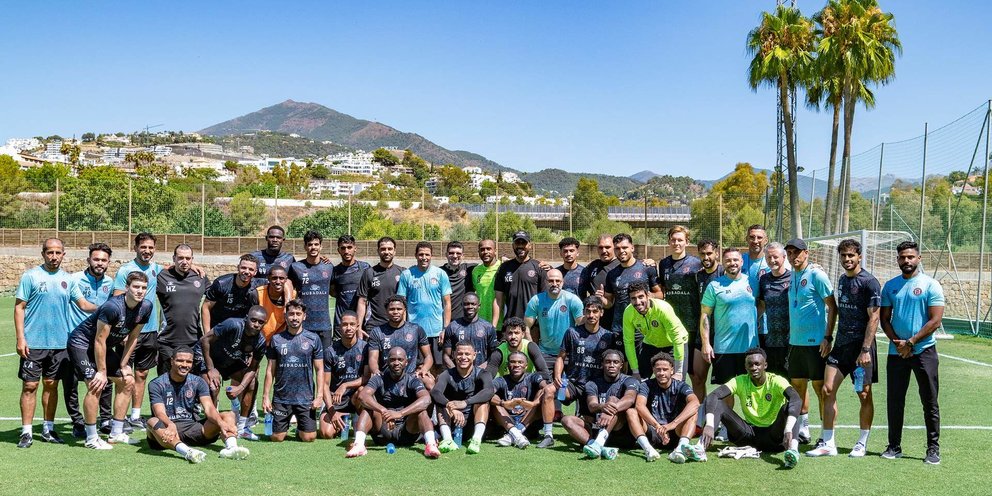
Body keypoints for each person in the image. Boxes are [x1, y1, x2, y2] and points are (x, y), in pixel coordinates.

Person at [14, 238, 95, 447]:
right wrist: (21, 338)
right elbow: (19, 307)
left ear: (63, 255)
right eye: (50, 252)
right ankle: (26, 432)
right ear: (43, 254)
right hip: (33, 343)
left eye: (58, 252)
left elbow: (84, 304)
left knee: (51, 385)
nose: (54, 256)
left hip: (60, 344)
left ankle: (48, 429)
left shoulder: (68, 280)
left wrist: (108, 307)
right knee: (30, 386)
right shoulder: (31, 276)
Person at [807, 239, 881, 458]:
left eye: (851, 255)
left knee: (863, 393)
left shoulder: (870, 282)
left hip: (861, 351)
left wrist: (866, 350)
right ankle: (828, 443)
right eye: (844, 256)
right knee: (827, 390)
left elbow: (874, 317)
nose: (847, 259)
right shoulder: (841, 280)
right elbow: (835, 310)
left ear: (859, 257)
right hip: (840, 346)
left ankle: (862, 442)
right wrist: (828, 337)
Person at [67, 272, 153, 449]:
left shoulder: (146, 307)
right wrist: (102, 371)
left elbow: (134, 337)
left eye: (144, 288)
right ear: (127, 288)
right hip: (82, 344)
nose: (140, 291)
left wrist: (124, 364)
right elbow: (99, 340)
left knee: (127, 381)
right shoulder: (112, 307)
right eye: (136, 287)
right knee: (96, 383)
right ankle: (91, 438)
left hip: (103, 346)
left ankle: (116, 433)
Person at [879, 241, 944, 465]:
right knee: (895, 400)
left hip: (924, 351)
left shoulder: (930, 285)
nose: (906, 261)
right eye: (902, 257)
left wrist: (912, 341)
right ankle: (894, 446)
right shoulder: (890, 286)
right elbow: (884, 319)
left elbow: (935, 320)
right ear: (898, 260)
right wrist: (899, 343)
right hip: (897, 352)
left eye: (910, 257)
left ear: (919, 258)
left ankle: (933, 448)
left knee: (929, 401)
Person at [687, 348, 802, 468]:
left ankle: (793, 451)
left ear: (765, 365)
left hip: (775, 437)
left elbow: (796, 399)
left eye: (757, 364)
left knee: (788, 407)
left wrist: (788, 429)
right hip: (748, 436)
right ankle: (700, 448)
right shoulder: (740, 381)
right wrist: (709, 425)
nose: (754, 368)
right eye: (750, 364)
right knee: (719, 404)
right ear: (745, 367)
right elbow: (713, 396)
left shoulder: (776, 381)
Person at [146, 346, 250, 463]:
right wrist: (170, 424)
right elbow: (159, 412)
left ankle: (232, 448)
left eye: (189, 362)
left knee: (228, 415)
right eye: (180, 360)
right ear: (172, 361)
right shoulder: (157, 384)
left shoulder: (198, 381)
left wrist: (221, 424)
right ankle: (188, 452)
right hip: (166, 432)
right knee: (152, 421)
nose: (185, 365)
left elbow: (209, 408)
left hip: (192, 428)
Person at [784, 238, 836, 446]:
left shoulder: (817, 274)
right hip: (795, 343)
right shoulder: (792, 276)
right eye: (789, 253)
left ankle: (826, 434)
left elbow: (832, 306)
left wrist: (827, 336)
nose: (793, 256)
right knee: (797, 386)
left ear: (806, 253)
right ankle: (804, 428)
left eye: (796, 252)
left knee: (820, 387)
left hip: (816, 343)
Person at [345, 347, 439, 458]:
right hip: (382, 430)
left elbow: (426, 399)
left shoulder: (413, 379)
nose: (396, 363)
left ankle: (431, 445)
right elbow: (362, 396)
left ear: (406, 362)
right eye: (393, 359)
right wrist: (383, 411)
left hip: (407, 431)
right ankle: (359, 445)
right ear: (387, 361)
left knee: (421, 411)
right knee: (368, 408)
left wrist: (400, 413)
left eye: (400, 359)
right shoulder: (379, 378)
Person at [112, 232, 164, 431]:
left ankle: (135, 415)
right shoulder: (126, 270)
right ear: (135, 248)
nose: (147, 251)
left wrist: (195, 265)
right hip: (128, 332)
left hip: (149, 330)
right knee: (123, 374)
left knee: (142, 374)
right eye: (143, 247)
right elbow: (117, 299)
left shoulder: (156, 269)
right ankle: (120, 416)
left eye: (151, 247)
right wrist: (122, 330)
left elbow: (174, 269)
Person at [195, 305, 268, 440]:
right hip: (208, 357)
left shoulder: (261, 342)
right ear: (246, 318)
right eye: (253, 320)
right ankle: (213, 425)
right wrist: (211, 369)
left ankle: (243, 428)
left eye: (261, 322)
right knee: (213, 386)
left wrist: (240, 388)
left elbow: (253, 368)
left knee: (251, 382)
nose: (256, 324)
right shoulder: (232, 324)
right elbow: (204, 340)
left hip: (229, 360)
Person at [554, 297, 619, 447]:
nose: (591, 315)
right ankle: (549, 433)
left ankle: (593, 440)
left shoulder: (608, 336)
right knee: (551, 391)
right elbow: (560, 357)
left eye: (595, 311)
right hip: (572, 383)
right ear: (583, 312)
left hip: (594, 387)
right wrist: (558, 376)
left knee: (590, 422)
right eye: (588, 311)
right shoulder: (572, 332)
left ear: (601, 313)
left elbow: (615, 362)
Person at [66, 242, 114, 438]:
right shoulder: (74, 280)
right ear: (88, 260)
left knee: (105, 378)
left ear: (108, 262)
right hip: (74, 339)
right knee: (72, 382)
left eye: (103, 260)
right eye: (96, 259)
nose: (99, 263)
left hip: (100, 340)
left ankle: (106, 419)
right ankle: (78, 422)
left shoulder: (111, 283)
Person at [262, 299, 324, 442]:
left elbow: (320, 369)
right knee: (277, 438)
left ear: (304, 316)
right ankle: (285, 424)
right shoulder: (276, 339)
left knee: (309, 438)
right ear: (285, 316)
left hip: (305, 398)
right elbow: (270, 370)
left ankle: (300, 428)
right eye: (291, 314)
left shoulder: (313, 339)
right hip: (281, 398)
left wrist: (319, 396)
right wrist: (265, 396)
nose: (294, 318)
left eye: (298, 314)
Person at [561, 350, 640, 459]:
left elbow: (630, 398)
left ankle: (598, 443)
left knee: (612, 400)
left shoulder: (629, 380)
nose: (611, 365)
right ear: (602, 364)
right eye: (608, 362)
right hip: (597, 428)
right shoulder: (592, 383)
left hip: (621, 432)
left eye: (615, 362)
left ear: (621, 365)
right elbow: (592, 406)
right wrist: (603, 407)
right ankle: (596, 446)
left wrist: (610, 408)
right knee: (567, 420)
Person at [699, 248, 759, 386]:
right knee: (726, 394)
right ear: (723, 263)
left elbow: (761, 304)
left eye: (735, 260)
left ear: (742, 261)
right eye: (728, 260)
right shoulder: (714, 285)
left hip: (750, 349)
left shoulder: (753, 282)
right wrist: (706, 343)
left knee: (752, 392)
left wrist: (753, 320)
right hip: (724, 348)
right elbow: (705, 316)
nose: (732, 263)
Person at [631, 352, 700, 462]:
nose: (661, 373)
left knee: (693, 412)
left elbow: (695, 403)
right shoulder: (646, 385)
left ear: (672, 370)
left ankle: (679, 449)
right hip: (653, 431)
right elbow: (639, 405)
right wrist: (657, 426)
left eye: (665, 369)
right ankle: (648, 450)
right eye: (658, 369)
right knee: (631, 412)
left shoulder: (680, 385)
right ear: (653, 370)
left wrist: (672, 424)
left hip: (675, 432)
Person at [397, 241, 451, 373]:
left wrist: (445, 328)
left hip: (437, 331)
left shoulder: (440, 274)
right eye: (421, 254)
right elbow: (402, 303)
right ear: (416, 255)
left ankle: (437, 393)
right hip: (415, 331)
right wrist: (404, 328)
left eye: (427, 254)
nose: (424, 257)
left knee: (439, 367)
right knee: (419, 367)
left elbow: (447, 303)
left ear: (432, 256)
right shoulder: (407, 275)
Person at [431, 341, 495, 454]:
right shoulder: (446, 375)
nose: (463, 357)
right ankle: (447, 440)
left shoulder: (483, 374)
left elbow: (489, 391)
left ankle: (476, 440)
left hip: (472, 422)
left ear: (474, 355)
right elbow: (435, 392)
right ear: (454, 355)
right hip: (451, 421)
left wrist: (466, 402)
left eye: (467, 354)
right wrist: (451, 407)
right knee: (440, 403)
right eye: (460, 354)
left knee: (483, 402)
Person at [156, 243, 209, 376]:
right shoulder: (162, 276)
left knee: (193, 384)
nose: (184, 262)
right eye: (180, 258)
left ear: (192, 259)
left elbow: (214, 300)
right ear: (174, 258)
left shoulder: (200, 277)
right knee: (165, 383)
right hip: (167, 340)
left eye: (188, 258)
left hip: (193, 339)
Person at [622, 282, 688, 380]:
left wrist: (678, 372)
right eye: (633, 298)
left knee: (675, 382)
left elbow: (676, 338)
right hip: (651, 343)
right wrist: (635, 371)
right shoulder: (628, 312)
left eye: (641, 297)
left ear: (648, 295)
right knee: (637, 380)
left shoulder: (663, 309)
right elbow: (628, 342)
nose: (638, 302)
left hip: (673, 343)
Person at [366, 296, 435, 388]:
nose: (395, 312)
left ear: (404, 310)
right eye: (392, 309)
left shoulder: (416, 329)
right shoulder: (377, 332)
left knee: (429, 382)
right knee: (363, 393)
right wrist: (375, 371)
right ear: (386, 311)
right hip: (386, 376)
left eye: (399, 309)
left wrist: (424, 369)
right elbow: (373, 358)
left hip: (411, 375)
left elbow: (428, 356)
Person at [319, 311, 369, 439]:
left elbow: (367, 377)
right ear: (339, 327)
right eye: (345, 324)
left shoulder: (365, 348)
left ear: (358, 326)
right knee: (326, 433)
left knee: (362, 390)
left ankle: (357, 416)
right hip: (337, 400)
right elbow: (325, 384)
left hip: (355, 398)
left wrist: (345, 385)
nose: (349, 328)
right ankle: (341, 416)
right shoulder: (330, 351)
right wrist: (332, 411)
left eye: (352, 324)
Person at [658, 226, 702, 367]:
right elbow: (663, 288)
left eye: (680, 240)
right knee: (671, 366)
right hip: (671, 323)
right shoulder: (663, 263)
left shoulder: (696, 263)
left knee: (692, 371)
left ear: (687, 242)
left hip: (691, 324)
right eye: (673, 240)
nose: (676, 243)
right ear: (669, 242)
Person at [491, 351, 553, 449]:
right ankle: (516, 434)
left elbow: (546, 387)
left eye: (520, 362)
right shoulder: (501, 380)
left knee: (542, 394)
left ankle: (514, 434)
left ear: (526, 365)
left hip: (529, 423)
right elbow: (488, 393)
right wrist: (504, 403)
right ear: (507, 365)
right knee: (495, 403)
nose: (516, 365)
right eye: (513, 362)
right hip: (507, 422)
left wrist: (533, 403)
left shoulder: (533, 377)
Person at [603, 233, 662, 334]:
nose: (621, 251)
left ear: (632, 248)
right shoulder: (612, 274)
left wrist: (650, 295)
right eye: (617, 248)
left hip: (645, 328)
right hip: (620, 328)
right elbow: (609, 303)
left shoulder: (647, 268)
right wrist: (602, 299)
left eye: (625, 247)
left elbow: (660, 294)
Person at [524, 268, 584, 367]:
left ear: (562, 282)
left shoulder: (572, 299)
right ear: (545, 282)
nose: (554, 283)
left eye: (558, 281)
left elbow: (581, 323)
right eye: (551, 281)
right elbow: (526, 327)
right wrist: (533, 349)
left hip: (568, 353)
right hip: (545, 353)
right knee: (544, 381)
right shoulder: (536, 300)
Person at [289, 230, 335, 349]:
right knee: (304, 363)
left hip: (324, 325)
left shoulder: (329, 267)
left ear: (321, 246)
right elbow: (287, 286)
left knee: (325, 364)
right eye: (310, 244)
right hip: (303, 325)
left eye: (316, 244)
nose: (313, 247)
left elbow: (334, 290)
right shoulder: (296, 267)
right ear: (305, 247)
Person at [691, 238, 723, 404]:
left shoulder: (725, 273)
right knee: (697, 378)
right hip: (703, 333)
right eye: (702, 254)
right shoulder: (698, 276)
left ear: (716, 253)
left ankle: (724, 422)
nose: (706, 257)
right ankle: (699, 419)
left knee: (724, 382)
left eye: (709, 253)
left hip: (723, 335)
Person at [493, 230, 547, 326]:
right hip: (510, 323)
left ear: (529, 245)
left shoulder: (539, 267)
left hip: (533, 324)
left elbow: (545, 298)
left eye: (524, 243)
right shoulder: (504, 268)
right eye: (517, 243)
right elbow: (498, 300)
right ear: (513, 245)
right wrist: (494, 325)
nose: (520, 246)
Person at [755, 242, 791, 377]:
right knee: (773, 381)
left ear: (784, 257)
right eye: (769, 257)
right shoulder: (764, 279)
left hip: (791, 341)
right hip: (772, 341)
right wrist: (752, 321)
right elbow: (763, 305)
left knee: (795, 383)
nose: (772, 260)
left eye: (775, 257)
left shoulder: (793, 278)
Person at [356, 236, 405, 333]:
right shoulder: (369, 273)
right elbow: (362, 301)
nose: (386, 252)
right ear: (378, 251)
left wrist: (404, 324)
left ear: (394, 251)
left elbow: (405, 302)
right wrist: (359, 327)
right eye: (383, 249)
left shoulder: (403, 272)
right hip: (374, 326)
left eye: (390, 249)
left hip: (397, 326)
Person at [201, 254, 260, 334]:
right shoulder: (221, 284)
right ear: (238, 267)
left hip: (240, 331)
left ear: (255, 272)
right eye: (243, 268)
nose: (246, 272)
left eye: (251, 269)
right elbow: (206, 307)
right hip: (218, 328)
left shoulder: (258, 286)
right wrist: (207, 334)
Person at [443, 293, 499, 368]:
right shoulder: (452, 327)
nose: (470, 307)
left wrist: (480, 371)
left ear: (479, 306)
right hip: (458, 375)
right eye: (466, 304)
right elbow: (446, 356)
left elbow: (494, 355)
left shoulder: (488, 327)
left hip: (481, 373)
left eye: (473, 304)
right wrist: (456, 373)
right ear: (462, 305)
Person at [486, 317, 552, 380]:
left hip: (527, 385)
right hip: (505, 386)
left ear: (523, 334)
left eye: (516, 333)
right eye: (510, 333)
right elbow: (488, 376)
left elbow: (544, 373)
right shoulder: (499, 352)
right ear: (505, 335)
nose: (513, 336)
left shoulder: (531, 347)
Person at [330, 234, 371, 335]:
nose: (346, 251)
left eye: (349, 247)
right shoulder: (334, 271)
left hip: (362, 323)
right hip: (341, 323)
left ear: (355, 248)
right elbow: (332, 292)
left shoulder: (365, 268)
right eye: (343, 248)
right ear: (338, 250)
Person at [579, 234, 621, 328]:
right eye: (601, 247)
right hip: (595, 320)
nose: (604, 251)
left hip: (616, 320)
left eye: (607, 247)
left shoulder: (621, 265)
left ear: (614, 247)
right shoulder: (593, 266)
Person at [250, 265, 297, 341]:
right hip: (261, 340)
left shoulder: (293, 295)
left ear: (286, 279)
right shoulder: (257, 294)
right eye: (274, 278)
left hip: (283, 340)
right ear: (268, 279)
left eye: (281, 278)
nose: (278, 282)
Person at [441, 241, 477, 321]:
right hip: (442, 320)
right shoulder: (439, 272)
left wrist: (503, 262)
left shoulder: (470, 269)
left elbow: (489, 266)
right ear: (446, 255)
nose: (455, 256)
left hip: (463, 321)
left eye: (458, 253)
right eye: (451, 253)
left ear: (463, 255)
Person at [470, 239, 501, 325]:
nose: (485, 252)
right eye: (482, 249)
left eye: (489, 249)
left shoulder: (503, 267)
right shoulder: (476, 271)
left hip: (500, 322)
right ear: (478, 252)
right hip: (481, 322)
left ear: (495, 251)